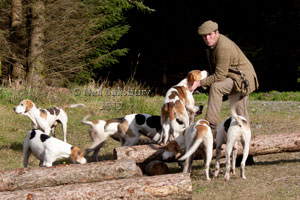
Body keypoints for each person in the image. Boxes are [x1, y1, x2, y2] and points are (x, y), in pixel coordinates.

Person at [189, 20, 259, 133]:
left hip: (242, 79)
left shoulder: (223, 47)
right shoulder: (212, 45)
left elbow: (220, 76)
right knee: (240, 115)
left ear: (217, 33)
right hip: (233, 76)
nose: (207, 38)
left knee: (217, 88)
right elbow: (217, 70)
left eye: (210, 34)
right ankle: (244, 139)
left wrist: (199, 83)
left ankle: (210, 124)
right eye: (204, 36)